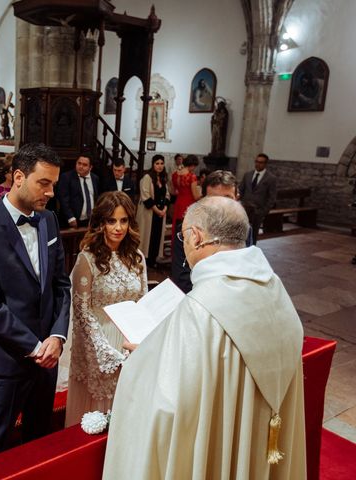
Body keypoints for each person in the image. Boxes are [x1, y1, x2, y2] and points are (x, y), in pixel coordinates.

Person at [103, 196, 306, 479]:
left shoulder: (201, 309)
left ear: (196, 237)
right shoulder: (274, 288)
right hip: (261, 434)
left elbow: (169, 403)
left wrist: (146, 359)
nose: (184, 244)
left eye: (183, 236)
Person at [0, 143, 71, 460]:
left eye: (54, 184)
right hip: (6, 360)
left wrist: (58, 336)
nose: (50, 192)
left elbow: (61, 285)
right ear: (19, 177)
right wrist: (35, 347)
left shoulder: (49, 220)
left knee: (39, 440)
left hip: (48, 358)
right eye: (44, 183)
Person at [65, 191, 147, 427]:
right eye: (111, 221)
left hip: (128, 338)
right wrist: (102, 349)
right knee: (100, 407)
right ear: (101, 223)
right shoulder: (87, 259)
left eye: (123, 221)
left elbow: (142, 301)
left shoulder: (137, 257)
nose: (118, 228)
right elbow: (81, 311)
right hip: (98, 339)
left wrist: (139, 341)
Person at [171, 169, 253, 293]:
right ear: (203, 199)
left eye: (227, 198)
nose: (221, 206)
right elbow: (181, 275)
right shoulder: (187, 228)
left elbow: (246, 268)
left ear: (236, 198)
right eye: (214, 199)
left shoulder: (245, 229)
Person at [136, 154, 170, 268]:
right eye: (157, 163)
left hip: (160, 213)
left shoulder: (164, 178)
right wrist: (157, 211)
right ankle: (144, 260)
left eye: (161, 163)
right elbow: (146, 196)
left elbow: (167, 195)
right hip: (149, 213)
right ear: (153, 164)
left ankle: (153, 260)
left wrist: (164, 209)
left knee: (157, 236)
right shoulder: (147, 177)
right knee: (147, 237)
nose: (159, 166)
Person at [239, 153, 278, 244]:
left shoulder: (271, 178)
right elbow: (241, 190)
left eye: (261, 162)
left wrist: (264, 211)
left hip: (258, 210)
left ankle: (252, 250)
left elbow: (272, 197)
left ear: (265, 164)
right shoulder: (248, 175)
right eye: (256, 161)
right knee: (242, 231)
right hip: (245, 208)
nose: (258, 164)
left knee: (253, 233)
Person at [58, 155, 100, 228]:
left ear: (90, 167)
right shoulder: (67, 177)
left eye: (85, 165)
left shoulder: (95, 178)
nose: (81, 166)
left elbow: (96, 197)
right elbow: (63, 199)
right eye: (79, 163)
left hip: (90, 220)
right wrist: (70, 217)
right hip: (73, 220)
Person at [171, 154, 201, 241]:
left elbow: (173, 191)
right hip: (188, 204)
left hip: (179, 202)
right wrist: (203, 195)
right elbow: (195, 196)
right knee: (186, 230)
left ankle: (176, 250)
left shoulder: (175, 174)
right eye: (194, 166)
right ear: (192, 165)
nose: (194, 168)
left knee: (177, 228)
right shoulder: (192, 177)